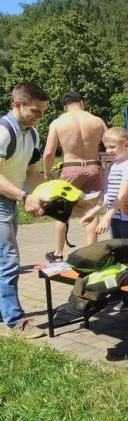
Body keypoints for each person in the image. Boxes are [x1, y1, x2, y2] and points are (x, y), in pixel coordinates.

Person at [0, 83, 49, 338]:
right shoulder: (3, 131)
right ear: (17, 105)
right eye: (36, 111)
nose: (40, 116)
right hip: (3, 199)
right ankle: (15, 320)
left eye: (43, 111)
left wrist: (57, 193)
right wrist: (24, 197)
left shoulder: (32, 134)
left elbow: (31, 174)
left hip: (8, 199)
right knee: (8, 260)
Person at [42, 92, 108, 262]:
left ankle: (57, 254)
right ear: (82, 103)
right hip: (93, 167)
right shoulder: (97, 120)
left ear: (65, 106)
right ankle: (90, 254)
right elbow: (110, 144)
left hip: (70, 168)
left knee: (61, 212)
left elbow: (49, 153)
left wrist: (48, 172)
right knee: (92, 210)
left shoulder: (58, 122)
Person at [80, 127, 128, 240]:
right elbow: (110, 195)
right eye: (106, 147)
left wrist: (106, 217)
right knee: (117, 250)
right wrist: (93, 212)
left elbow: (122, 195)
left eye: (112, 147)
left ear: (126, 145)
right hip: (115, 217)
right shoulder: (113, 166)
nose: (108, 151)